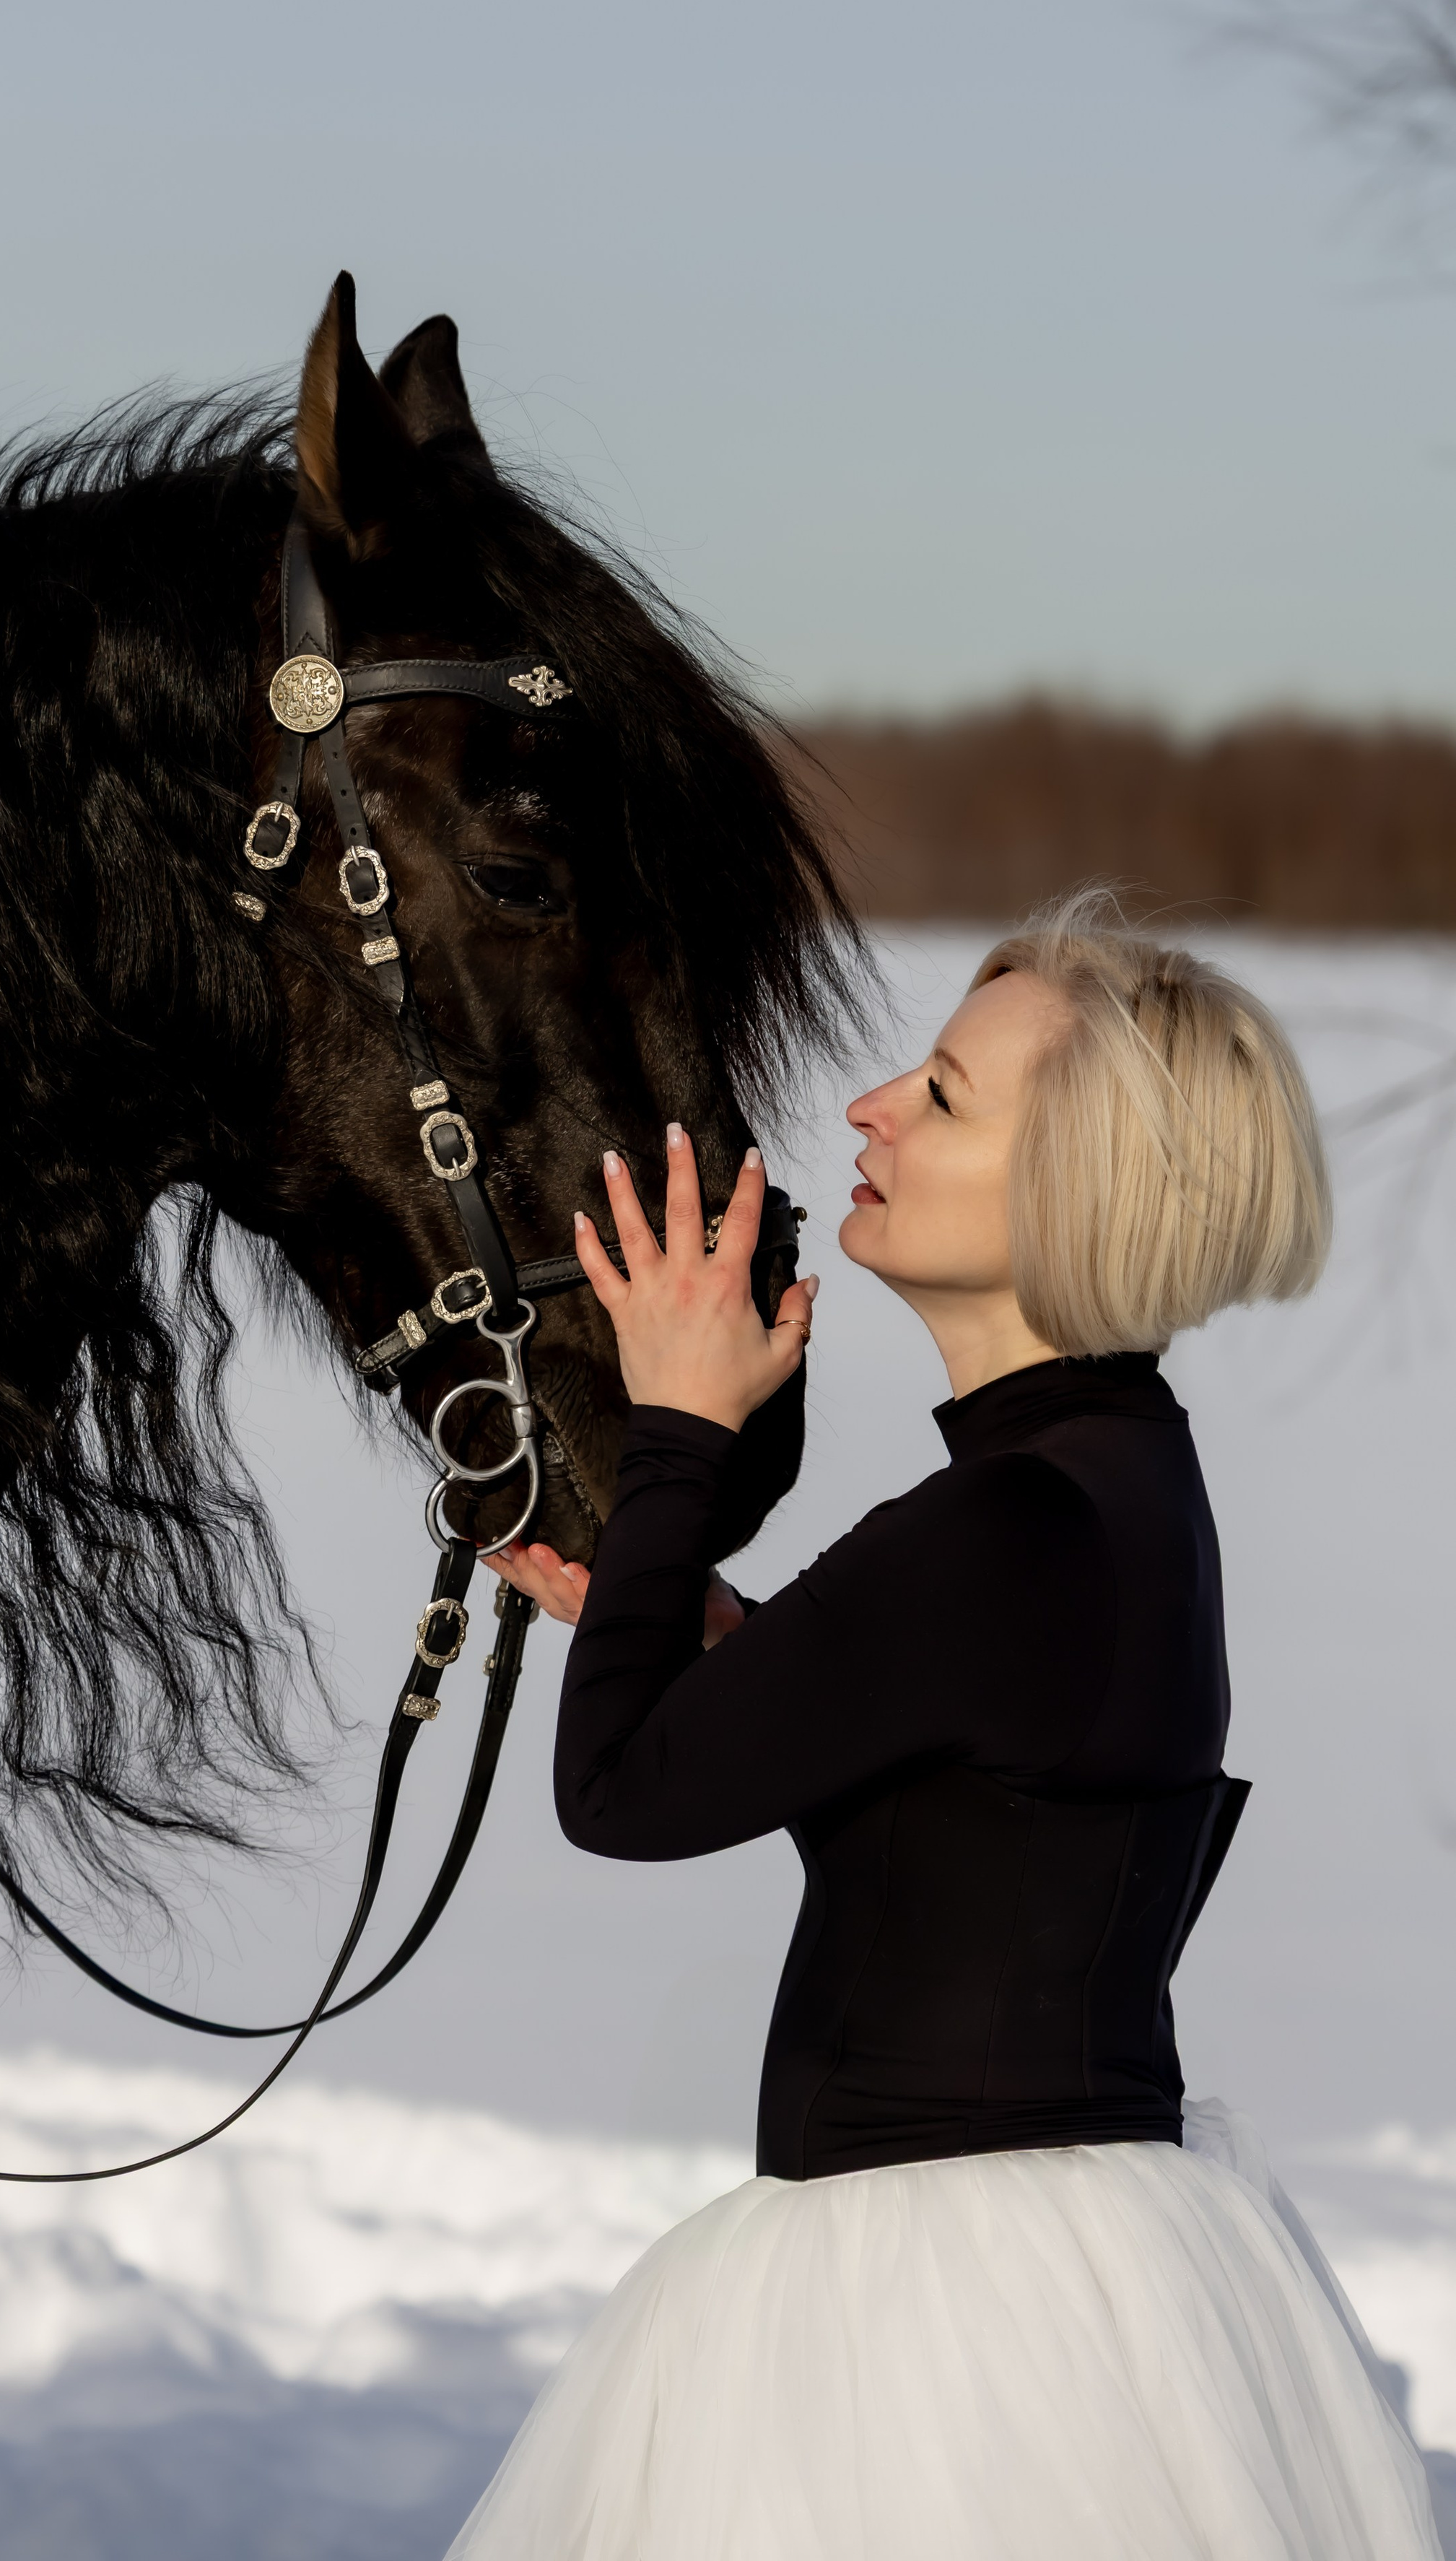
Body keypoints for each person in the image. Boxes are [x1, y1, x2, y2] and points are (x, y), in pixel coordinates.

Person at [449, 893, 1439, 2560]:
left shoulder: (996, 1526)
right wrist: (732, 1639)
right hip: (1093, 2283)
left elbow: (617, 1793)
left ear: (1081, 1183)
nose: (867, 1108)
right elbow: (982, 1793)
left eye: (943, 1096)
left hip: (930, 2320)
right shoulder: (1123, 1481)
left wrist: (681, 1426)